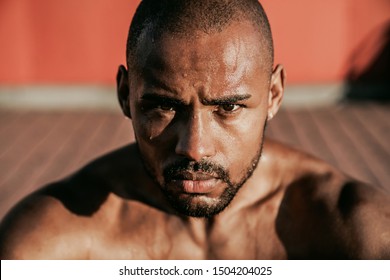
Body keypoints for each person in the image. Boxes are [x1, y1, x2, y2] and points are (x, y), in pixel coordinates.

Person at [0, 0, 389, 260]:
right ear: (125, 95)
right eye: (164, 106)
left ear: (273, 94)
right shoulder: (45, 244)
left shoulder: (357, 235)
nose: (195, 149)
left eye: (228, 107)